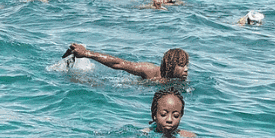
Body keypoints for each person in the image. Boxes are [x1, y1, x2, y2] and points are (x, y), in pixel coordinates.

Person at [61, 44, 189, 82]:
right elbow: (119, 64)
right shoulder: (150, 71)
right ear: (171, 65)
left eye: (187, 65)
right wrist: (87, 53)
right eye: (182, 65)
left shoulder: (180, 80)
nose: (186, 69)